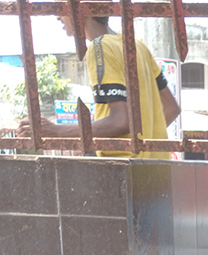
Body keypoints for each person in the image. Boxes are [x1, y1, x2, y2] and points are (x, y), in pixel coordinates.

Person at [18, 14, 179, 159]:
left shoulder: (100, 46)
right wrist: (144, 142)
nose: (57, 15)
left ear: (82, 7)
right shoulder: (137, 46)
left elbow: (121, 121)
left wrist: (56, 131)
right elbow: (172, 108)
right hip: (157, 167)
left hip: (125, 169)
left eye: (62, 5)